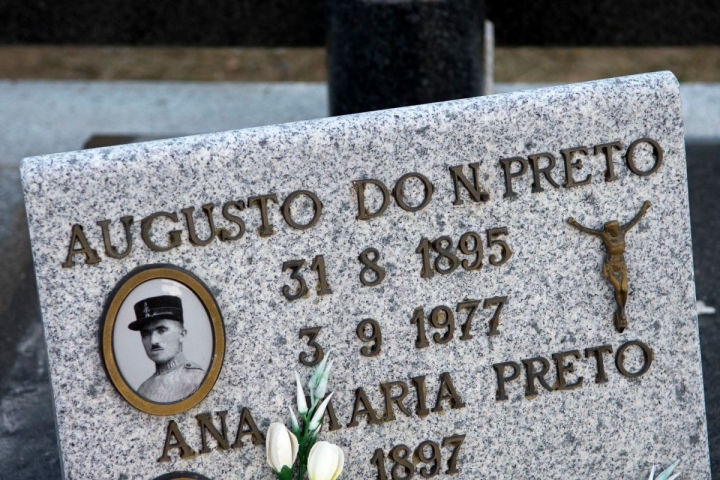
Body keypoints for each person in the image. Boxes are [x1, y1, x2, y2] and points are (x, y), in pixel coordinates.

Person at [568, 201, 651, 333]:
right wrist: (575, 224)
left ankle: (622, 310)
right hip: (610, 265)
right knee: (618, 288)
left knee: (624, 288)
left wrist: (644, 209)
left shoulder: (622, 232)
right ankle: (622, 312)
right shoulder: (605, 235)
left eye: (617, 227)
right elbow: (589, 231)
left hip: (621, 264)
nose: (616, 229)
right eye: (614, 228)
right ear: (609, 230)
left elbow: (634, 221)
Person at [128, 295, 205, 403]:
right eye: (145, 334)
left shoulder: (197, 378)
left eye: (161, 331)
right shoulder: (143, 389)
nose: (153, 341)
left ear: (182, 335)